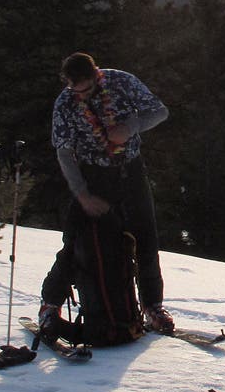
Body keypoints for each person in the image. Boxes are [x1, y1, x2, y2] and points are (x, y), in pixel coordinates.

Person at [38, 52, 174, 335]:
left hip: (130, 170)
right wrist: (82, 194)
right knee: (76, 240)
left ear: (96, 74)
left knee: (146, 237)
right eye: (76, 90)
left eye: (87, 88)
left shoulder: (121, 82)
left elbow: (160, 111)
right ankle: (50, 304)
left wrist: (130, 127)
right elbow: (64, 153)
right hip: (93, 175)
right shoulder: (64, 103)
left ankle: (153, 306)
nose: (82, 95)